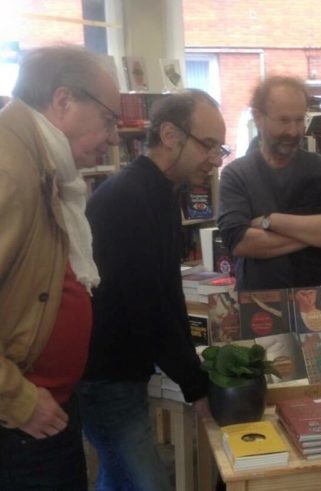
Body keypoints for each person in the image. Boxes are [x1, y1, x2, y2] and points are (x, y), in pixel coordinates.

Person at [77, 90, 225, 490]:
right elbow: (148, 305)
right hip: (105, 376)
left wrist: (193, 372)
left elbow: (167, 288)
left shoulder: (160, 193)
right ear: (170, 135)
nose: (215, 159)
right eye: (208, 146)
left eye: (219, 148)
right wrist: (195, 385)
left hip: (123, 372)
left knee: (118, 476)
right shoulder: (130, 197)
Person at [0, 45, 120, 490]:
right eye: (108, 119)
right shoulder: (10, 169)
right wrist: (17, 399)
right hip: (18, 423)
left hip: (43, 411)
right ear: (64, 100)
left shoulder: (44, 164)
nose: (113, 137)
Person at [218, 75, 321, 290]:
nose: (294, 131)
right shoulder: (236, 174)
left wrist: (270, 221)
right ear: (258, 117)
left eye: (299, 120)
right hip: (262, 306)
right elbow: (240, 242)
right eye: (284, 120)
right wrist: (316, 233)